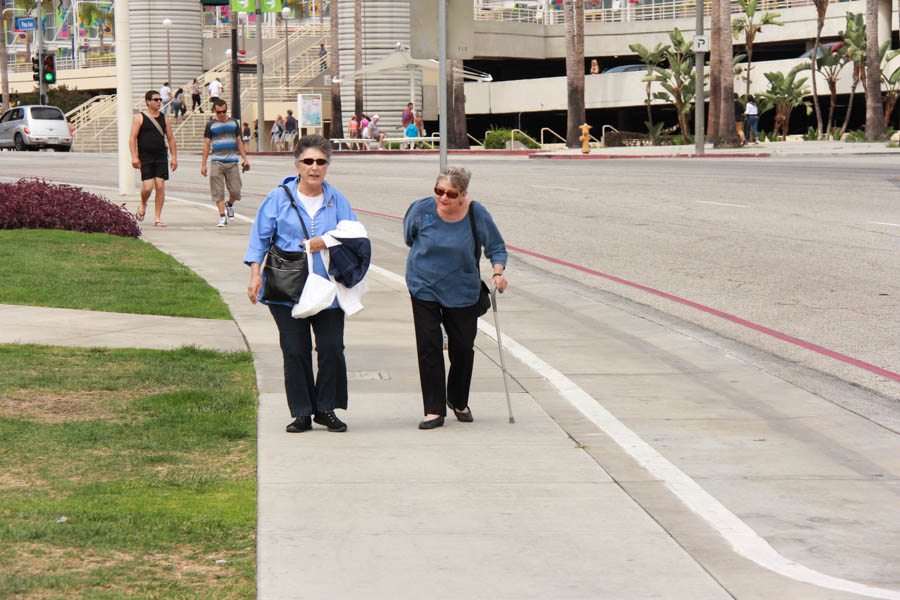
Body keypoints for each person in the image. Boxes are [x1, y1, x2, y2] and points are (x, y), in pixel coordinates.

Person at [244, 134, 364, 434]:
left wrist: (327, 240)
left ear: (327, 166)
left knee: (332, 348)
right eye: (308, 161)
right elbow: (260, 238)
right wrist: (255, 274)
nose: (314, 167)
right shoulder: (278, 197)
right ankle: (301, 412)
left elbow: (354, 235)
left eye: (321, 162)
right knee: (295, 350)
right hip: (287, 287)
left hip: (329, 290)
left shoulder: (338, 199)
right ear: (297, 164)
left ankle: (326, 408)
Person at [403, 166, 508, 430]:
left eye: (451, 193)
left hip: (462, 289)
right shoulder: (420, 209)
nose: (443, 198)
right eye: (439, 191)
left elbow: (495, 246)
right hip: (423, 284)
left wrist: (498, 273)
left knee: (462, 349)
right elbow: (409, 238)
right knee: (429, 345)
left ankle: (458, 400)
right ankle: (433, 410)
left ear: (463, 194)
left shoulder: (476, 213)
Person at [129, 90, 178, 228]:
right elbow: (132, 138)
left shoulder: (165, 118)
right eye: (156, 99)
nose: (158, 102)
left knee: (160, 185)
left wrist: (174, 157)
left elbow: (171, 138)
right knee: (148, 187)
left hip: (161, 156)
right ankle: (143, 204)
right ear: (148, 102)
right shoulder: (139, 117)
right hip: (145, 157)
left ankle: (157, 218)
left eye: (160, 99)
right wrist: (134, 156)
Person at [201, 98, 250, 228]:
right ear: (214, 111)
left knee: (236, 191)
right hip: (217, 161)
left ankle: (229, 204)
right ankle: (222, 216)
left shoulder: (234, 123)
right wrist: (204, 164)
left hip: (232, 161)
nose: (222, 114)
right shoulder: (210, 125)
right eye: (219, 112)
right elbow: (206, 145)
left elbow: (239, 142)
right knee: (218, 191)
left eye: (224, 111)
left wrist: (245, 159)